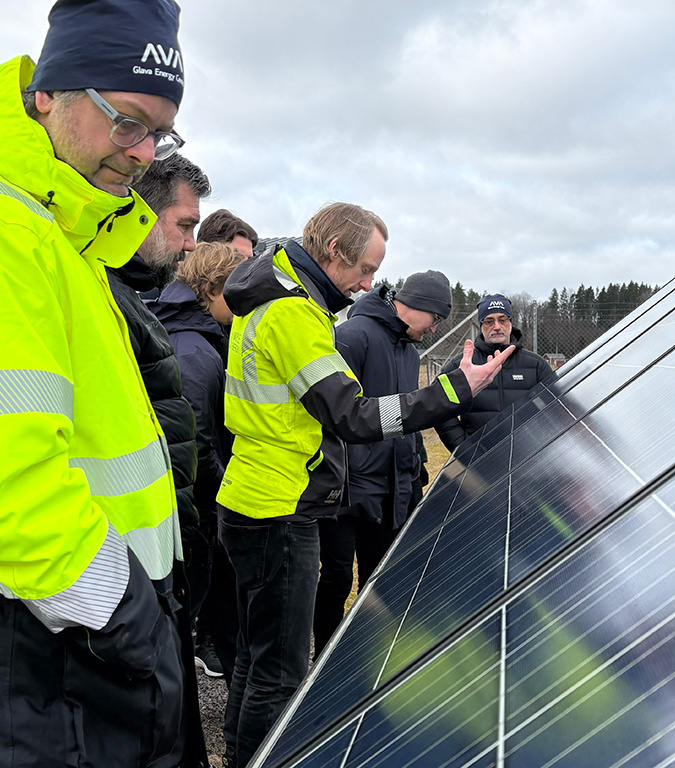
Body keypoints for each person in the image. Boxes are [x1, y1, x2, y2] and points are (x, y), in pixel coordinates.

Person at [0, 1, 202, 765]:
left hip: (54, 645)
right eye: (127, 122)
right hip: (26, 656)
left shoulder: (56, 227)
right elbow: (7, 483)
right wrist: (133, 626)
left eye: (161, 132)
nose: (143, 153)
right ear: (47, 96)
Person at [216, 202, 515, 767]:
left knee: (258, 660)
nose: (370, 284)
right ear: (333, 253)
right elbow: (354, 417)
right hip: (281, 507)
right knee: (280, 674)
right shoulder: (294, 314)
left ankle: (238, 755)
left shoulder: (269, 300)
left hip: (253, 495)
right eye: (367, 269)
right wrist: (453, 391)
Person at [109, 152, 211, 756]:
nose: (191, 244)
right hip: (125, 581)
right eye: (184, 225)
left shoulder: (131, 300)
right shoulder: (104, 297)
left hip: (154, 564)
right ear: (138, 211)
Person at [312, 272, 452, 656]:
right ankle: (325, 658)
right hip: (347, 493)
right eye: (436, 317)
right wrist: (345, 476)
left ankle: (369, 658)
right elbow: (334, 414)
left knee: (380, 584)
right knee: (336, 581)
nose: (435, 327)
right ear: (419, 305)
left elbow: (404, 416)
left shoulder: (409, 351)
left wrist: (413, 468)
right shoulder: (352, 337)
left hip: (392, 490)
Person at [154, 242, 246, 680]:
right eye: (239, 290)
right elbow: (193, 442)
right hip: (197, 508)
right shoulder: (195, 351)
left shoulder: (203, 339)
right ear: (213, 288)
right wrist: (230, 491)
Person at [436, 293, 559, 451]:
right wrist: (463, 448)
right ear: (481, 325)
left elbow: (557, 408)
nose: (497, 327)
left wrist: (541, 445)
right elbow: (439, 406)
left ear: (510, 322)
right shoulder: (461, 365)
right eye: (489, 321)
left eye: (502, 320)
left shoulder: (536, 366)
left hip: (529, 458)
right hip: (479, 462)